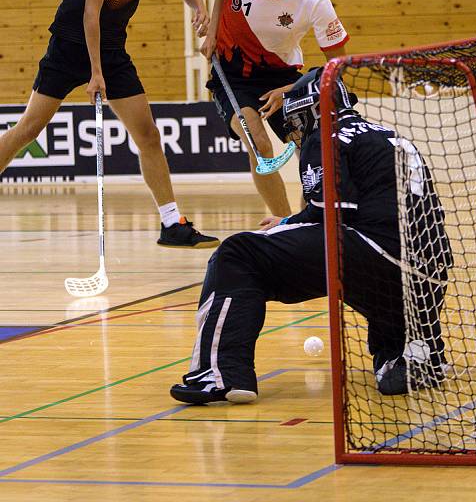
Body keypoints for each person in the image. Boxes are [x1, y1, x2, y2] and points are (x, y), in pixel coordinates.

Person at [169, 67, 453, 405]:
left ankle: (217, 374)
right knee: (390, 372)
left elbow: (330, 215)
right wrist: (292, 221)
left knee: (238, 253)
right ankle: (421, 351)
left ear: (314, 109)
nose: (295, 130)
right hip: (425, 279)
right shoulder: (387, 134)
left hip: (375, 258)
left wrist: (286, 224)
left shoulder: (326, 136)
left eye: (298, 119)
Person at [0, 0, 219, 250]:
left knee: (148, 134)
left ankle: (172, 223)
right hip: (70, 48)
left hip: (113, 49)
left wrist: (198, 8)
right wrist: (95, 73)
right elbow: (90, 13)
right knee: (29, 129)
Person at [200, 0, 349, 217]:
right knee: (259, 146)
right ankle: (283, 223)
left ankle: (309, 221)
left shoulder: (314, 0)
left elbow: (339, 65)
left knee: (313, 150)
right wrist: (213, 31)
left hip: (283, 77)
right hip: (233, 75)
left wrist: (289, 89)